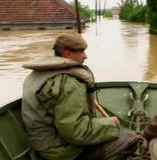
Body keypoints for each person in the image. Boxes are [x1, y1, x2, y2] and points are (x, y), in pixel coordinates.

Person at [21, 32, 140, 160]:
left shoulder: (39, 74)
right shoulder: (68, 83)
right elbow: (75, 133)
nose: (85, 56)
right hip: (63, 152)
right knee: (131, 139)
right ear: (67, 53)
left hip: (45, 146)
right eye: (81, 51)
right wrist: (110, 124)